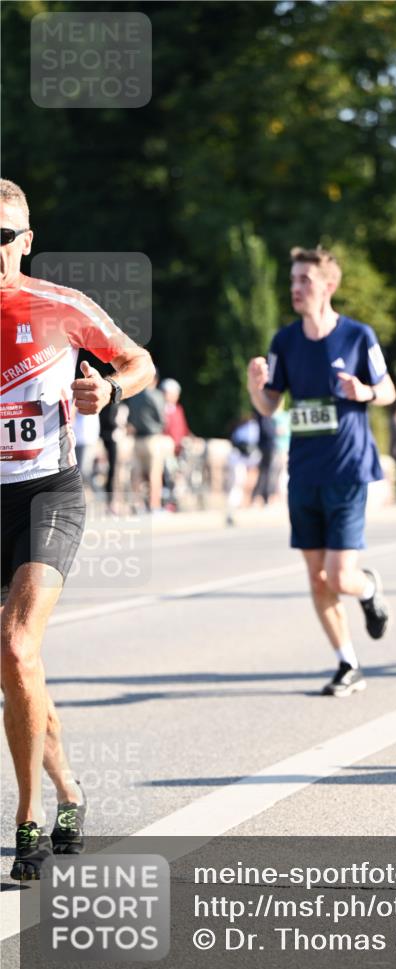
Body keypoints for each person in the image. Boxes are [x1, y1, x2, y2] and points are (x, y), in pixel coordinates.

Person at [0, 180, 155, 879]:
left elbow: (139, 362)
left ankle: (26, 818)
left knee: (15, 643)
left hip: (46, 496)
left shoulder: (61, 306)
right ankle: (69, 790)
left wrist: (113, 390)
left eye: (4, 238)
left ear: (26, 241)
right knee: (18, 666)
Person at [247, 245, 396, 696]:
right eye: (293, 281)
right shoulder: (285, 342)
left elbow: (388, 389)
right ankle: (347, 663)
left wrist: (363, 392)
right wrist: (256, 388)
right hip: (304, 473)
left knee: (339, 577)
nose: (296, 288)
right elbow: (271, 406)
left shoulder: (357, 336)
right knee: (316, 578)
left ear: (328, 286)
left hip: (349, 470)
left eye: (304, 281)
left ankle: (367, 588)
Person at [126, 372, 173, 513]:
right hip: (152, 439)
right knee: (155, 474)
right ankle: (154, 505)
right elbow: (162, 419)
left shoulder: (134, 396)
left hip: (137, 439)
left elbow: (130, 418)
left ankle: (138, 505)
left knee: (136, 474)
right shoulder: (156, 395)